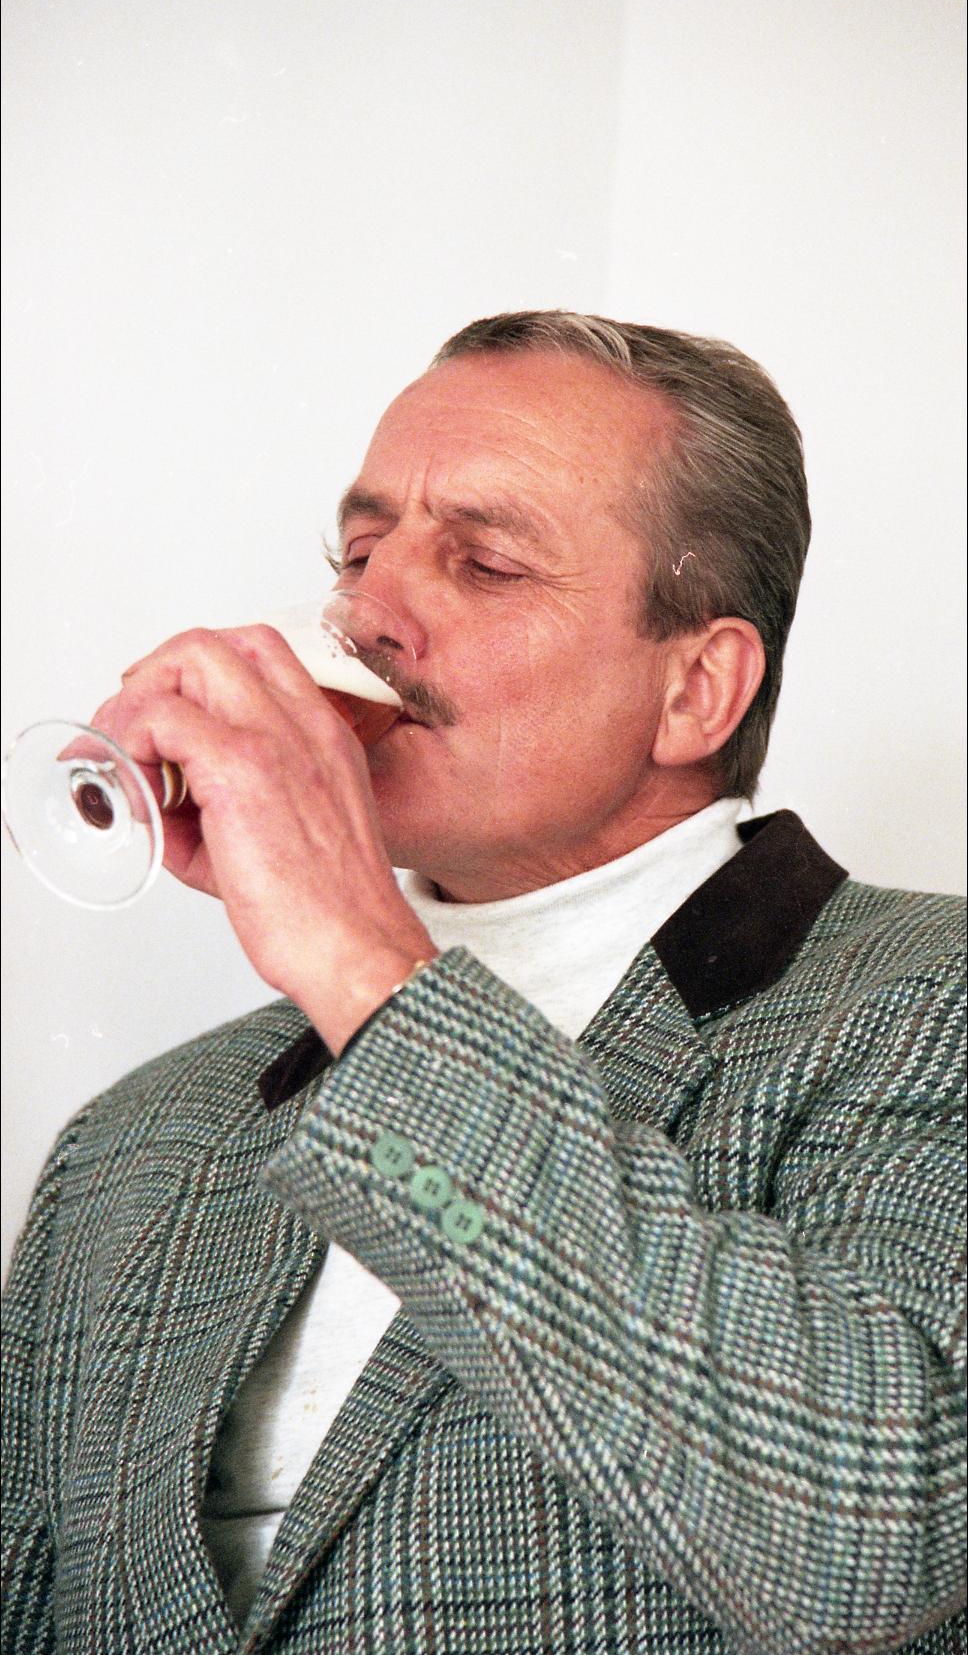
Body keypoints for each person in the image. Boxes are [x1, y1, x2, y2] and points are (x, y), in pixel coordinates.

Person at [2, 311, 964, 1655]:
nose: (365, 616)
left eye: (486, 562)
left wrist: (359, 959)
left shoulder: (928, 1002)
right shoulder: (132, 1141)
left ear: (697, 690)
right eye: (358, 553)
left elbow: (868, 1537)